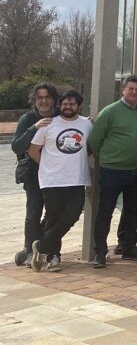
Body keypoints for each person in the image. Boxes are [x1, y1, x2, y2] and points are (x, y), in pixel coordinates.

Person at [88, 75, 137, 268]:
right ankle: (100, 251)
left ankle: (128, 246)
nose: (134, 92)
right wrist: (109, 157)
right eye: (130, 89)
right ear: (122, 90)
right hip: (112, 171)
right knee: (105, 211)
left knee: (132, 211)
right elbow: (94, 141)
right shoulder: (109, 112)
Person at [26, 91, 92, 272]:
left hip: (77, 179)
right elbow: (33, 150)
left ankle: (40, 246)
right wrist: (48, 165)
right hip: (52, 180)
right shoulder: (48, 124)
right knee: (53, 219)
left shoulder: (87, 124)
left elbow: (90, 147)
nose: (67, 107)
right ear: (59, 105)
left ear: (79, 106)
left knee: (72, 216)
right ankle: (53, 257)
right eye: (64, 104)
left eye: (72, 104)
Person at [11, 82, 58, 267]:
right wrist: (34, 128)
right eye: (40, 98)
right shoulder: (28, 118)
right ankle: (30, 251)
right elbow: (16, 146)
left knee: (54, 212)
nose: (44, 101)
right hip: (33, 173)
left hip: (56, 174)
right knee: (34, 212)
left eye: (47, 97)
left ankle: (39, 245)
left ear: (53, 99)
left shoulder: (59, 117)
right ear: (35, 100)